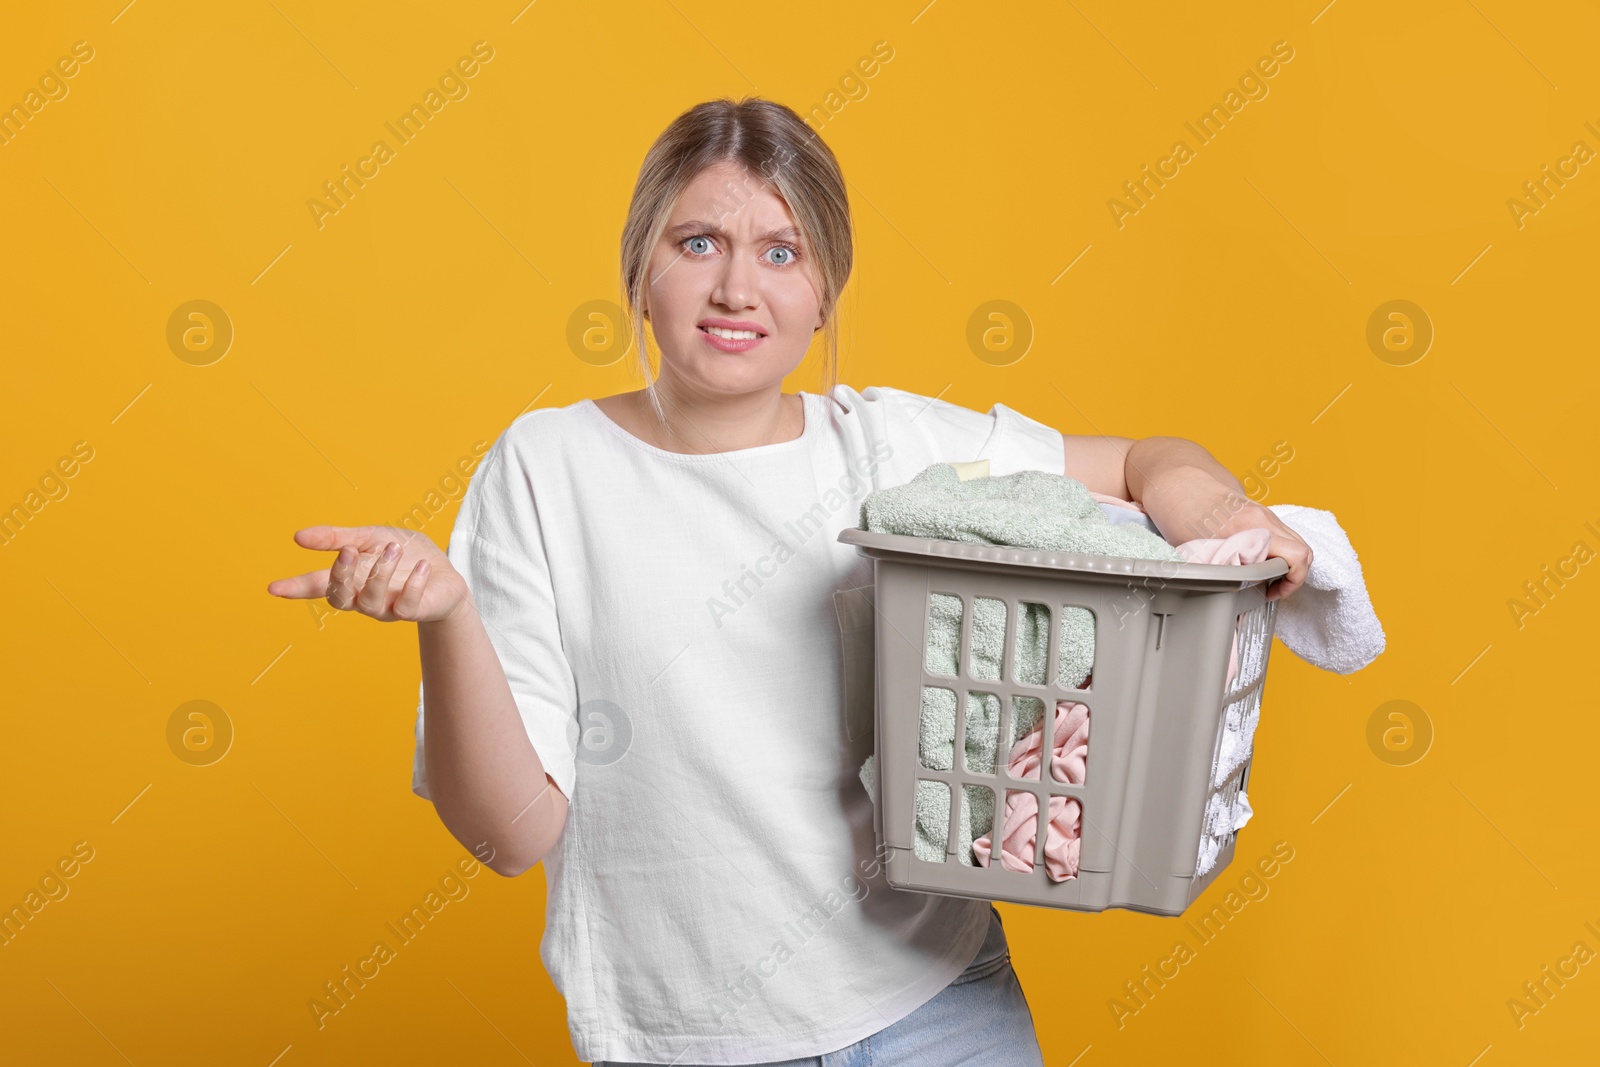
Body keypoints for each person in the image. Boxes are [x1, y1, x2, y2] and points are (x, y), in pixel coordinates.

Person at [267, 96, 1311, 1067]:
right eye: (698, 243)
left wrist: (1227, 523)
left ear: (823, 294)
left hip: (934, 1006)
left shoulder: (889, 449)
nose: (737, 288)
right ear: (640, 268)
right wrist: (445, 618)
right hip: (685, 1036)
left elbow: (1147, 460)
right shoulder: (547, 468)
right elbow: (510, 834)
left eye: (780, 251)